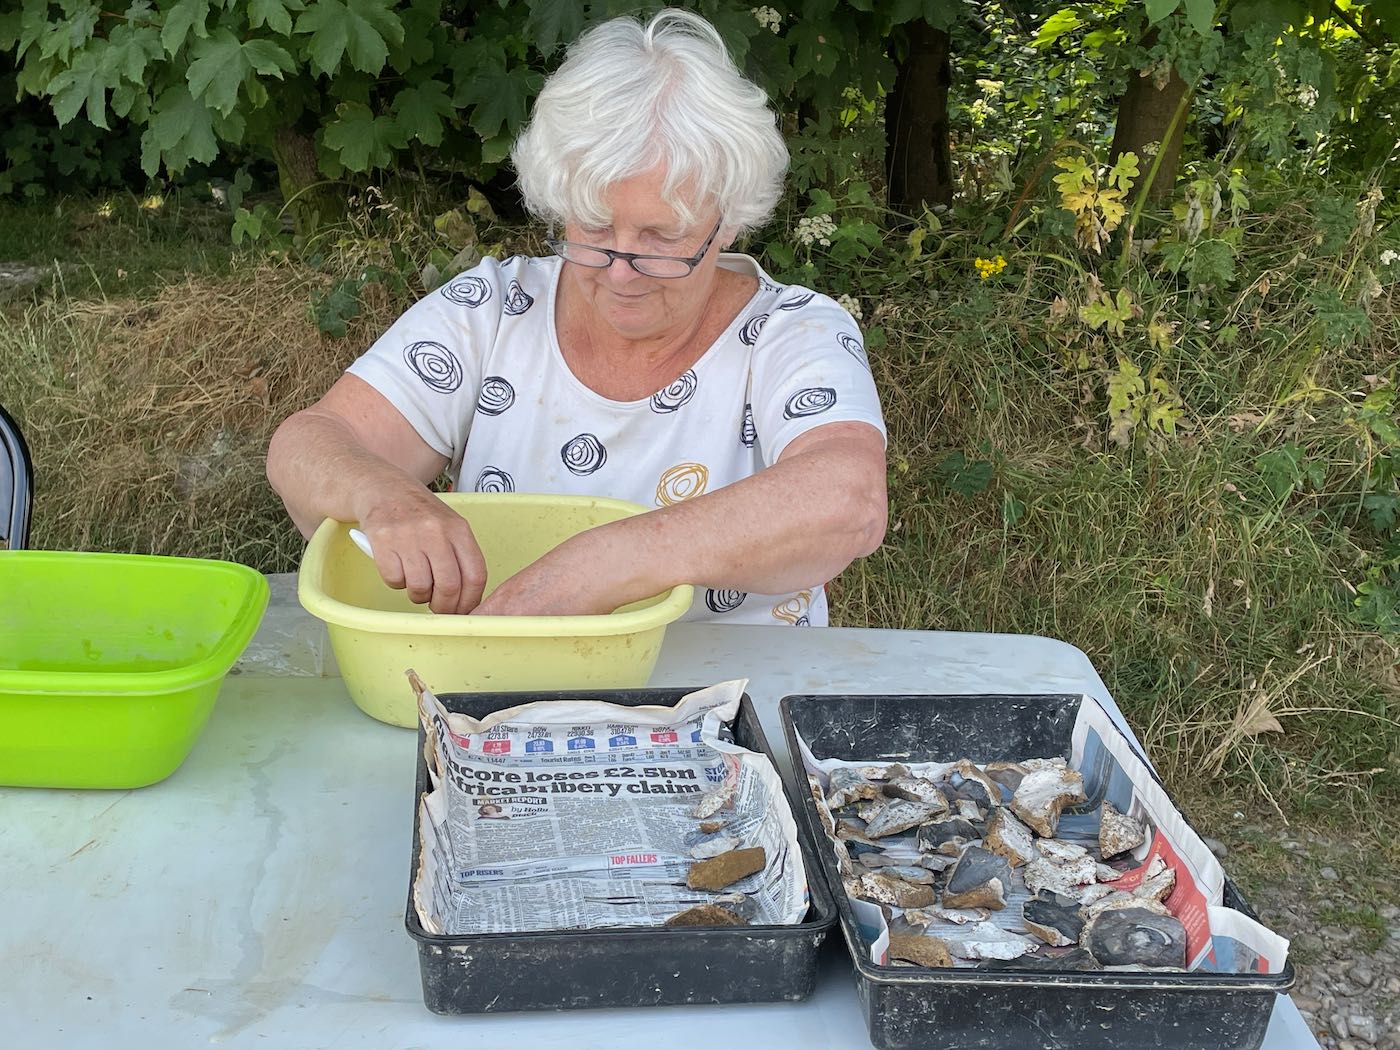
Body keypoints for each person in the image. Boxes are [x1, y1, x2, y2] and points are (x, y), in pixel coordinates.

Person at [267, 8, 887, 625]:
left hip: (738, 682)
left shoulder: (792, 331)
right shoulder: (494, 311)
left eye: (660, 237)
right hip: (505, 674)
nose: (620, 272)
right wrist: (383, 495)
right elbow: (307, 444)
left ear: (726, 223)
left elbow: (848, 499)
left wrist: (606, 564)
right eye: (592, 227)